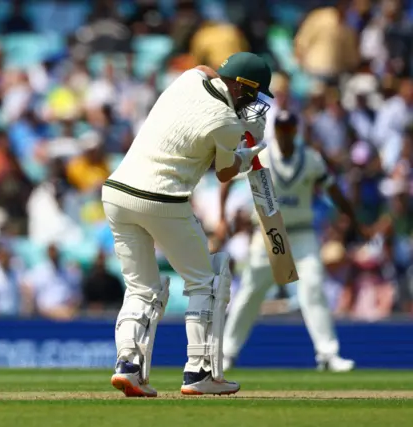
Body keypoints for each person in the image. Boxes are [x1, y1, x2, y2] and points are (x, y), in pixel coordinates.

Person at [101, 52, 272, 397]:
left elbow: (203, 68)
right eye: (253, 94)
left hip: (116, 193)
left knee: (141, 287)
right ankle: (199, 373)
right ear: (242, 87)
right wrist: (248, 152)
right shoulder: (226, 122)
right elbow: (225, 173)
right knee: (206, 281)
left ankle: (128, 367)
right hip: (162, 198)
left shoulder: (188, 79)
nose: (254, 102)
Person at [219, 110, 366, 372]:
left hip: (301, 233)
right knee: (251, 292)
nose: (285, 135)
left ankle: (327, 354)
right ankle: (227, 353)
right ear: (275, 131)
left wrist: (354, 222)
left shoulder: (310, 159)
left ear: (295, 131)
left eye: (289, 130)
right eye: (281, 129)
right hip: (268, 232)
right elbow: (227, 178)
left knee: (313, 288)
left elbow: (333, 190)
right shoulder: (261, 154)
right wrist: (221, 217)